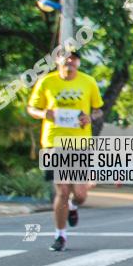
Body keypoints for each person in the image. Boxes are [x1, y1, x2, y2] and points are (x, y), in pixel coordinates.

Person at [26, 48, 104, 252]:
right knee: (62, 190)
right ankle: (60, 235)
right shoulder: (47, 82)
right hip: (54, 142)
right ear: (57, 61)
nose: (70, 61)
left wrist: (90, 117)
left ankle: (73, 206)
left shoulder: (89, 82)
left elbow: (98, 110)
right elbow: (31, 109)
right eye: (66, 58)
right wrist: (44, 113)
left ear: (78, 63)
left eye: (74, 58)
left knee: (79, 193)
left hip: (79, 143)